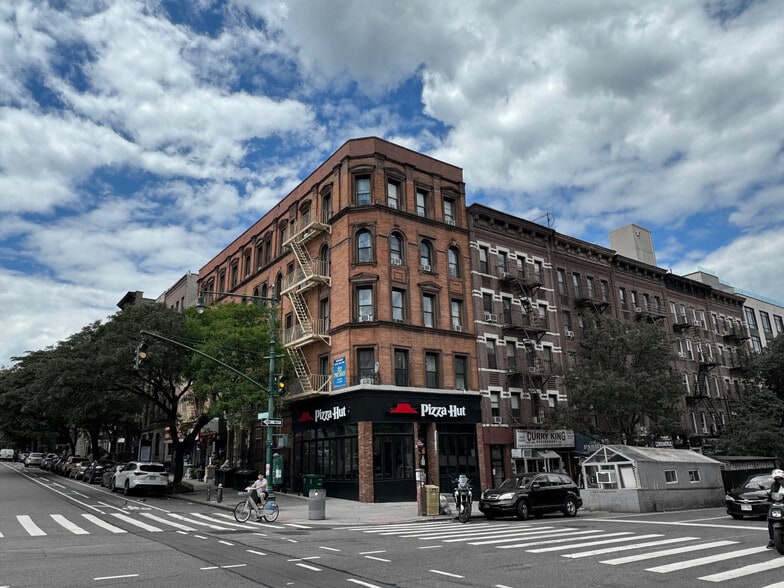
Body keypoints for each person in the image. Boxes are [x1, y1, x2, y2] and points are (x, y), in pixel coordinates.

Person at [767, 469, 784, 548]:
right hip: (778, 505)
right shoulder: (774, 485)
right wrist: (768, 496)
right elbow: (772, 494)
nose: (780, 480)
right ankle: (772, 540)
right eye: (777, 479)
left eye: (781, 478)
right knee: (771, 520)